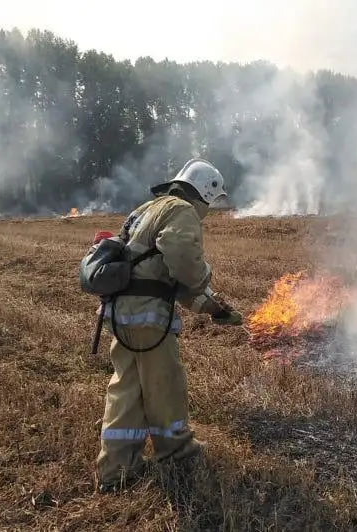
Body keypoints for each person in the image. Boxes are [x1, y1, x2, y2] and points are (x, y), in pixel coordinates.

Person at [93, 157, 243, 494]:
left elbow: (158, 273)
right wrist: (204, 276)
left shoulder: (147, 209)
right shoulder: (181, 210)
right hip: (148, 315)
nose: (208, 208)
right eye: (210, 201)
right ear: (205, 192)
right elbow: (181, 261)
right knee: (165, 386)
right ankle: (178, 453)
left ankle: (116, 468)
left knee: (126, 391)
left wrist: (211, 307)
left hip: (121, 312)